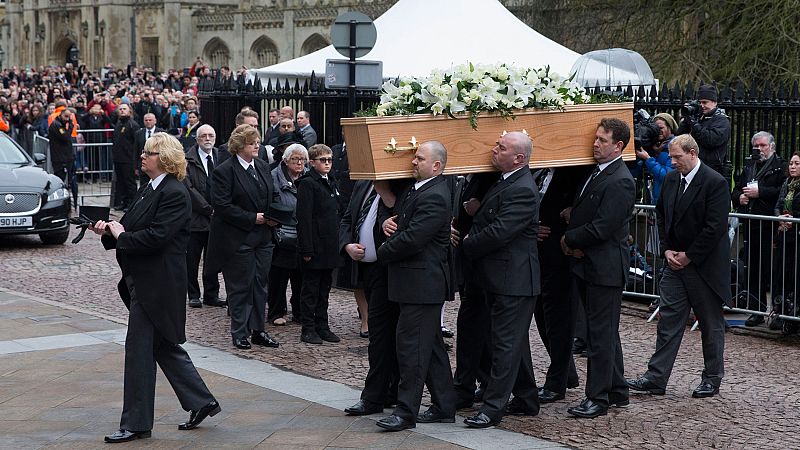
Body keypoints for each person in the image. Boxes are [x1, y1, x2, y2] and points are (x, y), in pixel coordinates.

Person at [90, 132, 220, 443]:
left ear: (163, 158)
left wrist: (121, 236)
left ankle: (136, 423)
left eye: (148, 153)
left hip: (158, 285)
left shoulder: (175, 193)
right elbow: (133, 227)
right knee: (161, 346)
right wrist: (108, 230)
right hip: (142, 280)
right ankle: (202, 401)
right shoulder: (149, 188)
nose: (142, 156)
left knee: (138, 351)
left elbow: (156, 237)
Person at [627, 134, 730, 399]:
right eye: (671, 157)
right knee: (669, 320)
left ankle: (712, 378)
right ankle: (656, 377)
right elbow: (661, 215)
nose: (672, 162)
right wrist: (666, 249)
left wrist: (689, 255)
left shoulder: (714, 182)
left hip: (703, 266)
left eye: (677, 157)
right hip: (674, 263)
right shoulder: (672, 179)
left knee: (710, 323)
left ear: (693, 153)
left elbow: (715, 227)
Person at [460, 132, 541, 428]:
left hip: (514, 279)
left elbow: (500, 231)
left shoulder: (521, 188)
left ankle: (493, 407)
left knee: (504, 345)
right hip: (500, 277)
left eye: (501, 147)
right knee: (511, 342)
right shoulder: (504, 180)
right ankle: (527, 398)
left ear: (519, 158)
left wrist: (466, 242)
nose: (494, 150)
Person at [374, 140, 455, 432]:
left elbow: (414, 239)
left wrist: (382, 251)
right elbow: (402, 223)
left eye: (419, 158)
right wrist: (387, 227)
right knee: (430, 348)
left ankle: (405, 412)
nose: (413, 162)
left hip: (422, 284)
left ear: (436, 165)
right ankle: (446, 405)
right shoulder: (418, 189)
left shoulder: (435, 194)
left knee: (412, 350)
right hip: (414, 283)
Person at [561, 118, 636, 418]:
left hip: (604, 267)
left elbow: (604, 226)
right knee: (603, 332)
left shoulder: (620, 179)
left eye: (602, 140)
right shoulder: (599, 173)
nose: (595, 143)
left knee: (601, 335)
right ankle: (617, 388)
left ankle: (598, 397)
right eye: (596, 138)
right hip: (589, 264)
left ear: (618, 146)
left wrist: (570, 237)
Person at [206, 124, 280, 350]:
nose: (257, 145)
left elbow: (272, 194)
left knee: (260, 284)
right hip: (238, 239)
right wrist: (251, 218)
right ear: (239, 146)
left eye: (257, 141)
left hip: (263, 238)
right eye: (251, 142)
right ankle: (240, 332)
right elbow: (222, 205)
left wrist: (274, 215)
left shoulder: (262, 166)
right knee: (240, 286)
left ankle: (258, 330)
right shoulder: (225, 171)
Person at [532, 165, 590, 403]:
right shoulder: (538, 173)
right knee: (543, 319)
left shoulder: (574, 174)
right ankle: (567, 373)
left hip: (561, 255)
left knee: (559, 322)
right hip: (539, 256)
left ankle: (556, 383)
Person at [341, 179, 400, 416]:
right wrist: (346, 245)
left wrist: (385, 191)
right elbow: (348, 218)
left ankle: (378, 395)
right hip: (368, 270)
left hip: (389, 270)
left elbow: (401, 216)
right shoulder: (363, 183)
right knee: (380, 334)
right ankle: (384, 392)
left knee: (383, 335)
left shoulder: (397, 184)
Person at [451, 172, 498, 410]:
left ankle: (473, 385)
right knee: (473, 325)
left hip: (480, 263)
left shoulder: (487, 179)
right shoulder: (468, 179)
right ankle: (479, 381)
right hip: (468, 263)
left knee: (477, 326)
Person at [731, 131, 787, 326]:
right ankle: (756, 309)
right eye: (756, 146)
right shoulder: (749, 166)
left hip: (772, 226)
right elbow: (736, 189)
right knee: (753, 268)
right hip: (752, 225)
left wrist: (760, 192)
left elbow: (783, 191)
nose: (759, 150)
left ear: (771, 146)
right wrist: (740, 197)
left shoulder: (781, 167)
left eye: (763, 146)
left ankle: (779, 312)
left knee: (774, 270)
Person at [296, 144, 342, 344]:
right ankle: (308, 327)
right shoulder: (308, 183)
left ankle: (322, 325)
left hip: (329, 245)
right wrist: (307, 248)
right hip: (315, 245)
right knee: (310, 290)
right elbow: (304, 218)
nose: (327, 164)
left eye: (330, 160)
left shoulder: (331, 181)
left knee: (324, 289)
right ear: (312, 163)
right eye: (323, 160)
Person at [183, 124, 225, 309]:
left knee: (213, 259)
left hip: (217, 219)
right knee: (192, 259)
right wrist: (207, 208)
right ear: (197, 139)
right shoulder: (188, 159)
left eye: (211, 135)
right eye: (204, 136)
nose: (208, 139)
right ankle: (193, 294)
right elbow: (189, 188)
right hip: (196, 218)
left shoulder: (220, 156)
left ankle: (211, 294)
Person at [267, 143, 308, 326]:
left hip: (302, 234)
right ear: (285, 160)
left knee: (300, 277)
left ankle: (299, 311)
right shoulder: (274, 177)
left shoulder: (308, 177)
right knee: (279, 277)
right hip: (281, 234)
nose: (300, 163)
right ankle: (276, 311)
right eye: (295, 159)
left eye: (302, 159)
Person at [676, 84, 731, 179]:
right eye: (700, 103)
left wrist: (694, 124)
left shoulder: (722, 120)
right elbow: (679, 137)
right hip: (693, 167)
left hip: (712, 170)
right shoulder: (699, 118)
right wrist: (686, 120)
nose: (702, 106)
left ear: (714, 102)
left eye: (705, 102)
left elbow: (711, 140)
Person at [772, 152, 800, 332]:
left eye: (797, 163)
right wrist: (780, 218)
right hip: (784, 236)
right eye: (790, 163)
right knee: (782, 274)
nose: (792, 166)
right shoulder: (786, 184)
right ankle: (781, 312)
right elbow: (777, 205)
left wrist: (794, 219)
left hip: (797, 236)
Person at [111, 103, 140, 211]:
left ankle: (132, 204)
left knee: (130, 183)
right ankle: (124, 202)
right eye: (120, 109)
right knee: (121, 182)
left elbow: (136, 143)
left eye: (124, 109)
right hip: (119, 159)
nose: (122, 111)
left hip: (128, 159)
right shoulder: (119, 124)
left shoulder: (133, 125)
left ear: (129, 111)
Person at [134, 113, 164, 187]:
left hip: (157, 166)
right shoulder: (139, 133)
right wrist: (136, 167)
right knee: (144, 187)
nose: (148, 122)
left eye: (150, 120)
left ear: (155, 121)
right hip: (143, 166)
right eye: (146, 120)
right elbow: (136, 150)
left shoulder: (161, 132)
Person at [48, 107, 74, 186]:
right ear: (61, 115)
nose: (67, 119)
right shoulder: (57, 125)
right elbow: (65, 137)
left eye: (69, 116)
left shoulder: (60, 124)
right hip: (60, 157)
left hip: (65, 156)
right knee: (60, 178)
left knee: (70, 178)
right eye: (66, 116)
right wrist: (70, 127)